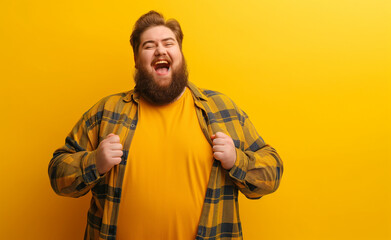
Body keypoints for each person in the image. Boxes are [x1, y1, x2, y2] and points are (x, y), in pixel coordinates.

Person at [48, 10, 283, 240]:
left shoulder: (221, 109)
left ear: (180, 53)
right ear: (137, 60)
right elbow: (58, 174)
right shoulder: (107, 111)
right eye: (149, 46)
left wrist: (236, 161)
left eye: (168, 43)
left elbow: (272, 172)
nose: (160, 49)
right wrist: (94, 163)